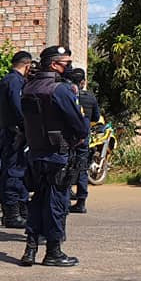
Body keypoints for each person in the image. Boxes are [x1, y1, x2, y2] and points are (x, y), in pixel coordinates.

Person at [18, 45, 89, 267]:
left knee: (37, 201)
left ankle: (30, 250)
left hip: (36, 153)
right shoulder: (60, 89)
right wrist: (79, 136)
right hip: (57, 154)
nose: (69, 67)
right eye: (66, 63)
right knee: (57, 203)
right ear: (53, 64)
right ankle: (53, 252)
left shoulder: (29, 87)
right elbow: (78, 123)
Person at [0, 51, 33, 227]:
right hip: (15, 134)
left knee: (8, 173)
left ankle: (11, 213)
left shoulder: (5, 80)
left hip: (6, 131)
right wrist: (27, 128)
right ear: (27, 65)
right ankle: (12, 215)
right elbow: (19, 109)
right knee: (14, 173)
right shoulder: (15, 82)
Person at [62, 67, 100, 213]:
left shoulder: (65, 94)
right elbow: (96, 118)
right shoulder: (90, 97)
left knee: (65, 167)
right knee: (82, 168)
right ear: (83, 81)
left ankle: (65, 200)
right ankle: (81, 201)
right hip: (83, 138)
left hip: (68, 137)